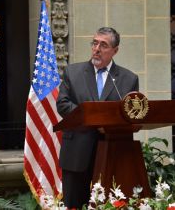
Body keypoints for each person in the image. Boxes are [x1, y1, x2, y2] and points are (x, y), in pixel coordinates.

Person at [56, 27, 139, 209]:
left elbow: (131, 113)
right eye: (94, 43)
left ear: (115, 50)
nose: (97, 48)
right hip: (77, 151)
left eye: (103, 45)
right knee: (74, 205)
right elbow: (62, 104)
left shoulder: (128, 79)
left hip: (112, 152)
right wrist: (92, 115)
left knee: (110, 204)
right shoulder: (73, 72)